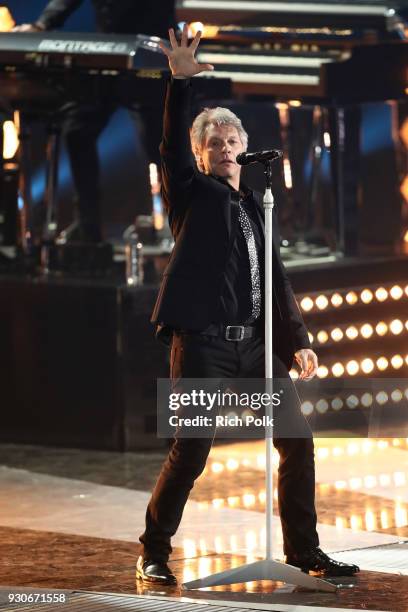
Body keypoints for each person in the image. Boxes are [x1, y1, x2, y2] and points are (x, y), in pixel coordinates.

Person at [136, 25, 360, 585]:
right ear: (200, 154)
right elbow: (168, 146)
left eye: (233, 141)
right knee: (190, 452)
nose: (228, 148)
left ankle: (304, 550)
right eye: (215, 143)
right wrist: (179, 85)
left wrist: (299, 340)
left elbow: (275, 281)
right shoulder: (191, 193)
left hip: (256, 348)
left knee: (298, 442)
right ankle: (154, 550)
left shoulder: (257, 205)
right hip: (204, 343)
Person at [13, 0, 176, 243]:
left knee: (159, 145)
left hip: (151, 61)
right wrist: (42, 24)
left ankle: (175, 224)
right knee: (77, 131)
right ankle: (87, 226)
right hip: (110, 56)